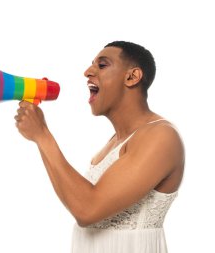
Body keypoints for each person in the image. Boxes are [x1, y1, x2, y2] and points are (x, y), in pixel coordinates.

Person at [14, 41, 185, 253]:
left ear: (132, 77)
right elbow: (79, 201)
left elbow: (87, 210)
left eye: (102, 65)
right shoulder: (114, 143)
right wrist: (39, 136)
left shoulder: (161, 136)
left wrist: (42, 136)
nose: (87, 72)